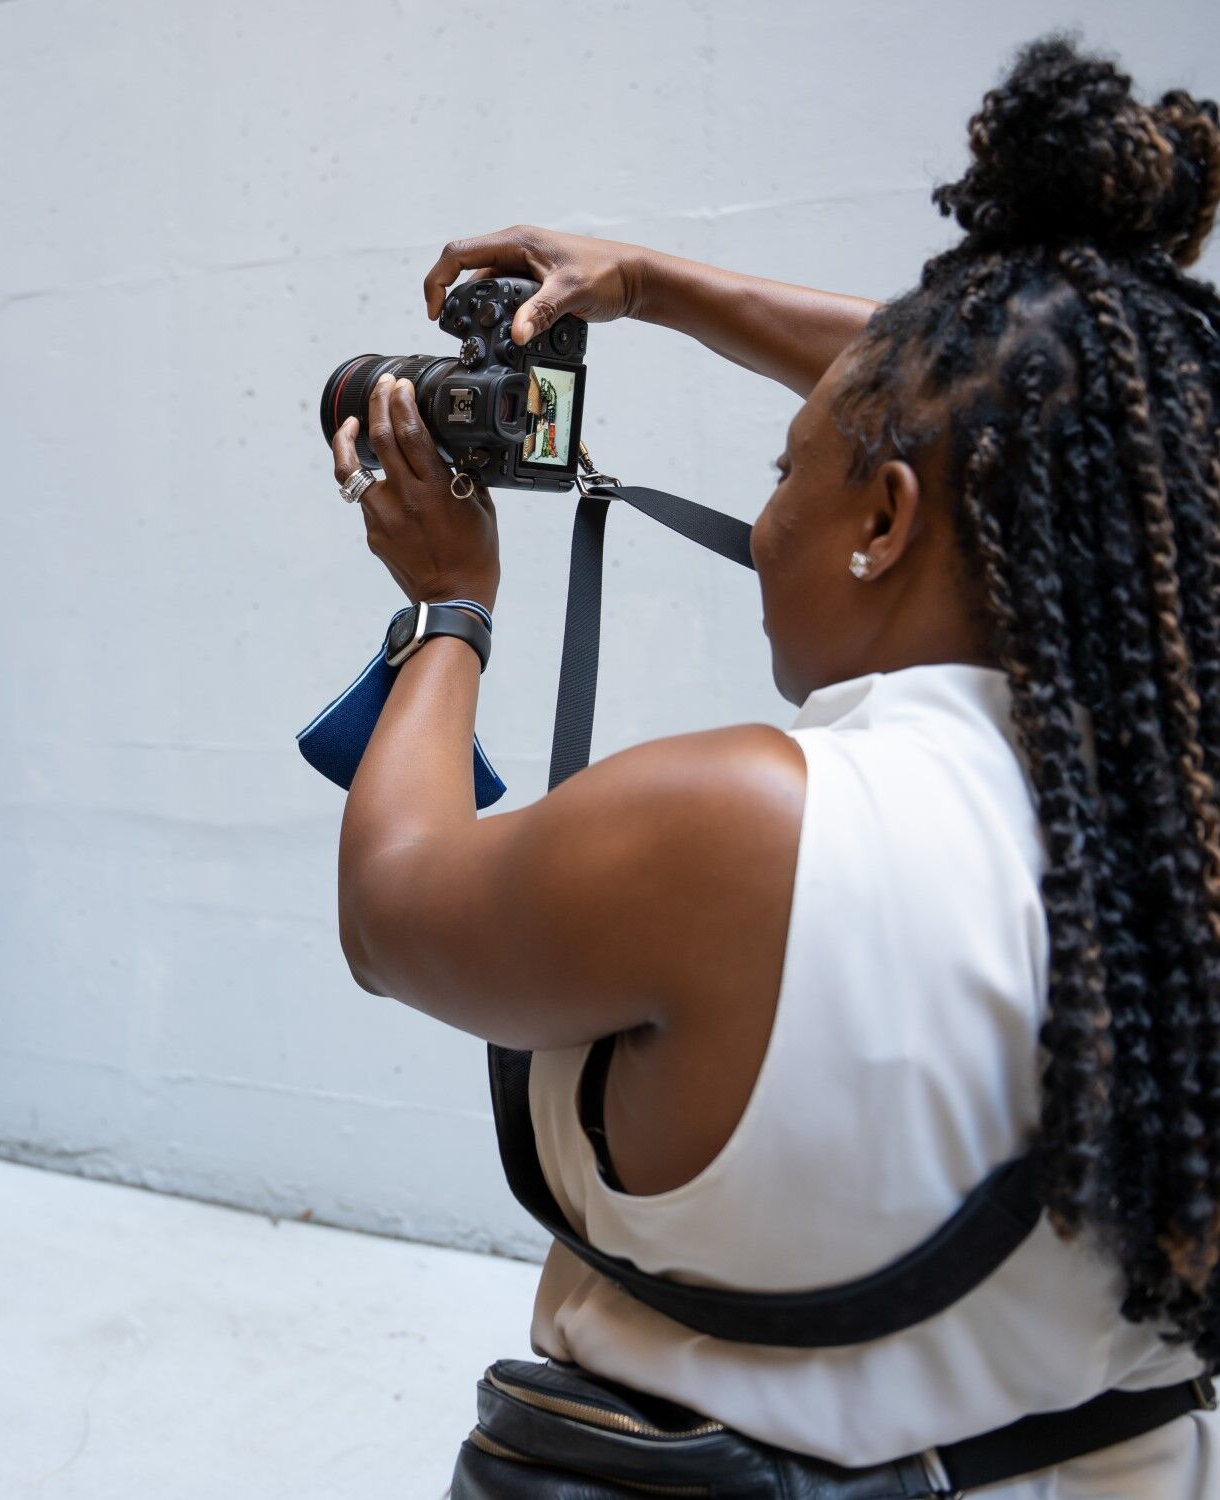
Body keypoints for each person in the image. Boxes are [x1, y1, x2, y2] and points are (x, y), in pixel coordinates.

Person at [331, 39, 1220, 1495]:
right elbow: (1049, 418)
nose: (768, 519)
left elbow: (395, 904)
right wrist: (660, 289)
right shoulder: (1173, 830)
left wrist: (448, 610)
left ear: (884, 517)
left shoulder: (741, 825)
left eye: (784, 469)